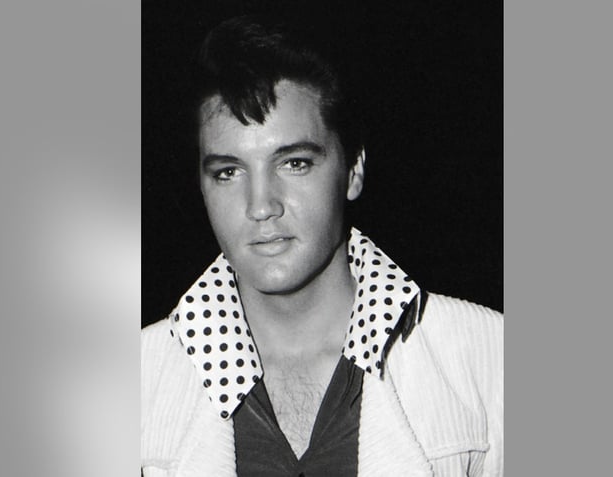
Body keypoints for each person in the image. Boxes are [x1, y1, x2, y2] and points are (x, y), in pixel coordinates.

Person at [142, 15, 503, 477]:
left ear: (353, 171)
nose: (260, 206)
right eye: (228, 172)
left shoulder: (490, 358)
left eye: (293, 162)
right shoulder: (127, 382)